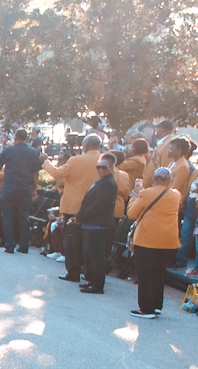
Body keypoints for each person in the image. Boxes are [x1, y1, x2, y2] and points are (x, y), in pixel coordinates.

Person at [43, 134, 102, 284]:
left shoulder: (76, 160)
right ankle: (88, 273)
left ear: (85, 146)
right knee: (89, 243)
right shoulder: (103, 160)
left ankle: (73, 272)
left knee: (72, 242)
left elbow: (57, 173)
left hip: (74, 206)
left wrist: (45, 162)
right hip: (94, 207)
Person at [126, 167, 182, 319]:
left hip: (147, 239)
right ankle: (157, 305)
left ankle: (146, 309)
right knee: (158, 273)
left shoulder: (145, 194)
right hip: (167, 240)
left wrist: (134, 196)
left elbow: (131, 213)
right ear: (169, 181)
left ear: (153, 179)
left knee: (145, 274)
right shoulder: (176, 195)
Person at [0, 128, 41, 253]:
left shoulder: (9, 151)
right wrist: (34, 189)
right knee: (24, 217)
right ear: (26, 138)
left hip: (9, 187)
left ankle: (10, 245)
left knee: (8, 217)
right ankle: (24, 245)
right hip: (25, 188)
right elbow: (35, 174)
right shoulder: (33, 152)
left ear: (15, 137)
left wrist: (0, 144)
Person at [77, 153, 122, 295]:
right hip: (91, 223)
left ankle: (98, 285)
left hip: (98, 223)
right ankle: (92, 280)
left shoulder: (109, 183)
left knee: (97, 255)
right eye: (98, 167)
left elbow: (98, 205)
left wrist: (80, 217)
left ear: (111, 168)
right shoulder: (101, 181)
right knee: (91, 254)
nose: (100, 170)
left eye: (104, 167)